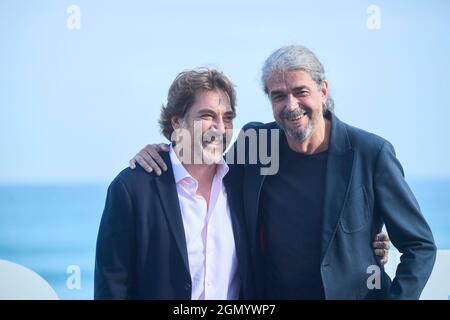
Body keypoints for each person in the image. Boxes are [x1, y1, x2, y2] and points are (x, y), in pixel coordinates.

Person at [130, 45, 436, 299]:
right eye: (278, 96)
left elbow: (419, 246)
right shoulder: (258, 143)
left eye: (300, 92)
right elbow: (205, 164)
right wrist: (168, 149)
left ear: (323, 91)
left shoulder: (370, 153)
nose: (291, 106)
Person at [95, 69, 253, 299]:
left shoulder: (243, 181)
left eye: (227, 117)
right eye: (207, 116)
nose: (220, 127)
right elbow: (112, 287)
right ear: (177, 121)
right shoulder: (132, 189)